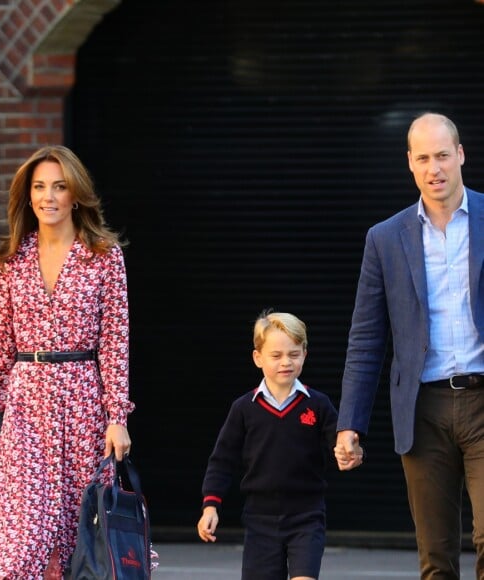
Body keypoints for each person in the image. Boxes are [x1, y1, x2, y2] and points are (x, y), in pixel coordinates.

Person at [0, 145, 135, 579]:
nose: (49, 197)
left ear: (76, 195)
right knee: (19, 537)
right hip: (26, 407)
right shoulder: (12, 258)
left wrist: (117, 416)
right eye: (39, 187)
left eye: (59, 186)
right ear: (28, 194)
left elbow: (115, 343)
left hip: (83, 404)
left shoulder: (104, 256)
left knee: (80, 537)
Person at [335, 112, 484, 579]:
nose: (434, 168)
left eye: (443, 155)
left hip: (483, 399)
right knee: (435, 556)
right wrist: (350, 423)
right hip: (422, 409)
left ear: (460, 155)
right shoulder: (384, 239)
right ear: (410, 164)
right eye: (423, 158)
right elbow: (366, 337)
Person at [197, 311, 363, 580]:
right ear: (258, 358)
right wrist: (210, 506)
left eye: (294, 354)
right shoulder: (243, 409)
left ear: (304, 354)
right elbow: (222, 460)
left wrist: (351, 452)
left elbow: (342, 442)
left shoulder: (318, 405)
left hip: (307, 517)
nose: (286, 362)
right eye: (276, 356)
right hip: (259, 519)